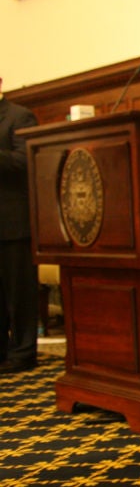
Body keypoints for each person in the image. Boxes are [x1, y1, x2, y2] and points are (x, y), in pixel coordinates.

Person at [0, 77, 40, 376]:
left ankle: (23, 352)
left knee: (19, 292)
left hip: (13, 221)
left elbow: (25, 160)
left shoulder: (19, 116)